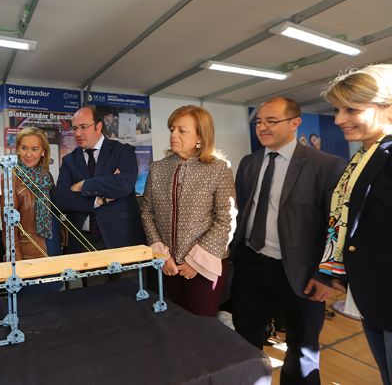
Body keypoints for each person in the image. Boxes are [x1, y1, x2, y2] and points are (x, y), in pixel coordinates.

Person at [230, 97, 345, 384]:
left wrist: (325, 274)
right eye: (259, 122)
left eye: (272, 121)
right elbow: (246, 209)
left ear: (295, 123)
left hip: (300, 273)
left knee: (302, 350)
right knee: (245, 341)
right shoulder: (249, 162)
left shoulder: (325, 165)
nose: (263, 128)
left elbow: (336, 226)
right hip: (251, 266)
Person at [304, 64, 392, 385]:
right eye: (337, 110)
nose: (339, 119)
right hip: (374, 295)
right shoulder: (364, 156)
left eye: (352, 109)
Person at [139, 106, 235, 316]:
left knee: (202, 326)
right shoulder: (158, 168)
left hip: (205, 266)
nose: (173, 135)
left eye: (182, 131)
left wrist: (195, 263)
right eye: (172, 129)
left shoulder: (218, 168)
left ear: (200, 135)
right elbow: (147, 211)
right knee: (174, 322)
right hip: (167, 265)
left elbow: (226, 220)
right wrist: (161, 254)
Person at [56, 106, 145, 254]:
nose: (78, 133)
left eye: (83, 127)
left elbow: (124, 185)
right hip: (83, 242)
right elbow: (62, 199)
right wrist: (98, 200)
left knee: (129, 278)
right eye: (75, 128)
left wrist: (82, 185)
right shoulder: (69, 161)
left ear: (98, 126)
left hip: (121, 240)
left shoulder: (122, 151)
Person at [5, 127, 60, 261]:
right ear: (18, 149)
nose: (28, 154)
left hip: (52, 242)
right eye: (24, 148)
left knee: (55, 280)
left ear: (43, 151)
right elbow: (9, 226)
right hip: (29, 250)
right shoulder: (10, 178)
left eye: (34, 149)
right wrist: (16, 259)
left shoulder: (46, 176)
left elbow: (55, 212)